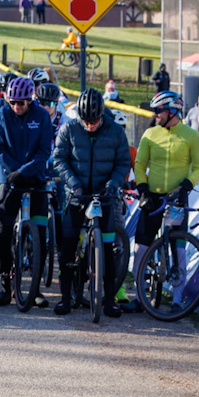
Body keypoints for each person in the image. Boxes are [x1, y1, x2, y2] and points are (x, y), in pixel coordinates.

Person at [51, 88, 130, 318]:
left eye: (94, 121)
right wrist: (73, 183)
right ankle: (66, 298)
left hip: (104, 196)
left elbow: (123, 162)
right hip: (77, 195)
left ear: (102, 115)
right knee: (67, 246)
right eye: (86, 121)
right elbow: (59, 159)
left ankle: (108, 301)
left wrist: (114, 184)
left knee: (107, 248)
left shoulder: (115, 132)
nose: (90, 126)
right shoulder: (69, 129)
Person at [132, 91, 199, 294]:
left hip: (176, 199)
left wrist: (186, 186)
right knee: (140, 249)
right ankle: (138, 297)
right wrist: (143, 189)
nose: (155, 114)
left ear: (172, 111)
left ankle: (176, 300)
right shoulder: (150, 134)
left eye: (159, 111)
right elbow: (139, 165)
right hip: (152, 197)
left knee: (178, 250)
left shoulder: (191, 136)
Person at [0, 77, 53, 308]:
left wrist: (26, 171)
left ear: (30, 101)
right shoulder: (2, 115)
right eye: (13, 102)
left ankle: (35, 289)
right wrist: (13, 171)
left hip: (35, 178)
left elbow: (44, 150)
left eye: (22, 103)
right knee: (2, 232)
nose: (17, 107)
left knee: (41, 235)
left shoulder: (42, 116)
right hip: (8, 178)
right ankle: (6, 286)